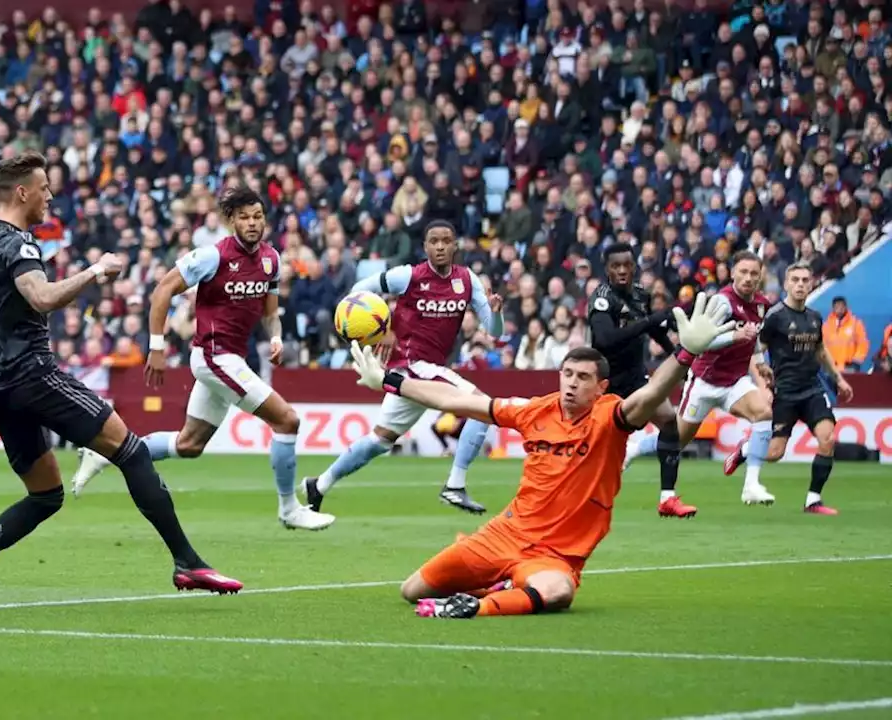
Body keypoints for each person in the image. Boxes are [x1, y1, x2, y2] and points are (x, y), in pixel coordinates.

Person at [0, 153, 241, 607]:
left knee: (45, 496)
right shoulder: (20, 244)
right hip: (32, 374)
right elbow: (42, 296)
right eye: (46, 188)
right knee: (131, 452)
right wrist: (95, 271)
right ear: (22, 192)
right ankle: (187, 562)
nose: (51, 196)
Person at [345, 293, 734, 619]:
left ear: (600, 387)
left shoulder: (611, 415)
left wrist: (685, 355)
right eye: (567, 374)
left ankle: (478, 606)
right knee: (412, 589)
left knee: (559, 591)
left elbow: (649, 397)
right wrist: (390, 381)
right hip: (505, 534)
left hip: (556, 554)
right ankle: (500, 585)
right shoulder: (534, 410)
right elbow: (452, 398)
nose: (571, 384)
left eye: (582, 378)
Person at [69, 185, 333, 531]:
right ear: (230, 221)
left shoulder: (271, 258)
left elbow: (270, 309)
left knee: (189, 444)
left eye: (258, 217)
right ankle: (289, 509)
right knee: (287, 421)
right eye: (244, 218)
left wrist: (277, 336)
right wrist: (157, 346)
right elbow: (163, 289)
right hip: (213, 357)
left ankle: (106, 453)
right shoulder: (212, 256)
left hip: (232, 358)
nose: (252, 224)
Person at [300, 221, 504, 516]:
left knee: (380, 440)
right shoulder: (408, 276)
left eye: (446, 240)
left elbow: (493, 332)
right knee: (482, 407)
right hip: (412, 364)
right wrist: (382, 328)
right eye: (434, 241)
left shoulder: (467, 280)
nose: (440, 246)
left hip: (425, 370)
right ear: (424, 247)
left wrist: (496, 315)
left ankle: (318, 485)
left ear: (455, 245)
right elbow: (358, 291)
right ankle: (455, 486)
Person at [624, 251, 777, 506]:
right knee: (678, 440)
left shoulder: (761, 304)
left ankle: (751, 485)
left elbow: (755, 337)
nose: (748, 278)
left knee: (763, 412)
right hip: (704, 382)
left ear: (761, 275)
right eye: (743, 272)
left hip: (735, 382)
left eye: (753, 273)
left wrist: (760, 365)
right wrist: (733, 337)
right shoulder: (722, 302)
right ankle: (635, 448)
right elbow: (698, 340)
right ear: (732, 273)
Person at [588, 242, 695, 518]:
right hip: (606, 384)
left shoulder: (639, 295)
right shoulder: (601, 299)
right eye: (616, 266)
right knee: (597, 446)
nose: (622, 271)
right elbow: (605, 341)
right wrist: (650, 322)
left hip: (637, 380)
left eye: (627, 265)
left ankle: (668, 499)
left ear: (635, 266)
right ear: (607, 269)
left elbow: (654, 328)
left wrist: (679, 357)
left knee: (670, 423)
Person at [737, 262, 853, 514]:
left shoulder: (814, 317)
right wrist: (761, 383)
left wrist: (839, 379)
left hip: (812, 390)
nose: (800, 284)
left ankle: (813, 500)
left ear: (811, 284)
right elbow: (755, 351)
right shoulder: (775, 316)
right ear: (787, 284)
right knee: (775, 453)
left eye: (805, 280)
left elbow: (821, 351)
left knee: (828, 439)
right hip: (784, 393)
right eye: (795, 280)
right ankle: (747, 448)